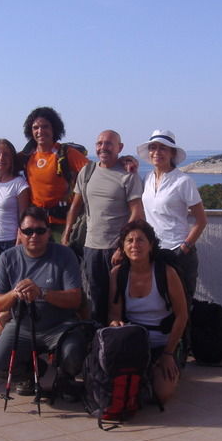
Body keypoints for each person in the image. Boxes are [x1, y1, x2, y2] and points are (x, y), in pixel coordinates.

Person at [0, 207, 87, 397]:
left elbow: (76, 299)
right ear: (19, 233)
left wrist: (41, 293)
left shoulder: (65, 255)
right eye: (28, 231)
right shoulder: (7, 258)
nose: (34, 235)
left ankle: (65, 377)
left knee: (74, 355)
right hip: (23, 326)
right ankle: (32, 372)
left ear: (49, 232)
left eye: (40, 230)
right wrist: (15, 294)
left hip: (60, 325)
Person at [0, 107, 88, 241]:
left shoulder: (66, 153)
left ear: (54, 128)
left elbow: (92, 174)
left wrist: (78, 200)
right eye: (35, 127)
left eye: (45, 126)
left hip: (61, 223)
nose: (40, 131)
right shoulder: (28, 155)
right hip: (36, 223)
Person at [62, 130, 144, 325]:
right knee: (96, 301)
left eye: (109, 143)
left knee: (121, 301)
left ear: (119, 148)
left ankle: (123, 344)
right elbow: (75, 206)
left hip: (117, 250)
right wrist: (66, 234)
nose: (103, 147)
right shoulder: (87, 171)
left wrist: (121, 247)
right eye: (99, 143)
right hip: (91, 247)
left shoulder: (128, 174)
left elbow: (137, 213)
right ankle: (100, 345)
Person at [108, 220, 188, 405]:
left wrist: (168, 353)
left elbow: (182, 315)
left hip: (163, 342)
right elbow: (114, 314)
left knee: (162, 394)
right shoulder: (117, 274)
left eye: (140, 240)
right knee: (117, 387)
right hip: (133, 342)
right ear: (123, 247)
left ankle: (169, 365)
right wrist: (114, 324)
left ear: (151, 245)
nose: (135, 245)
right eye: (129, 241)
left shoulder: (166, 273)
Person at [138, 129, 207, 297]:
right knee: (158, 302)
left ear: (172, 153)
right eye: (153, 147)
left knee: (182, 304)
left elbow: (201, 220)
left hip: (178, 251)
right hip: (154, 251)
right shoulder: (147, 178)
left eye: (163, 148)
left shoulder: (183, 181)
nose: (157, 152)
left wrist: (184, 248)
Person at [0, 139, 30, 252]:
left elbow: (23, 218)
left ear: (12, 159)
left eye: (6, 155)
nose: (1, 158)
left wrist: (19, 242)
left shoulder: (20, 184)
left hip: (11, 241)